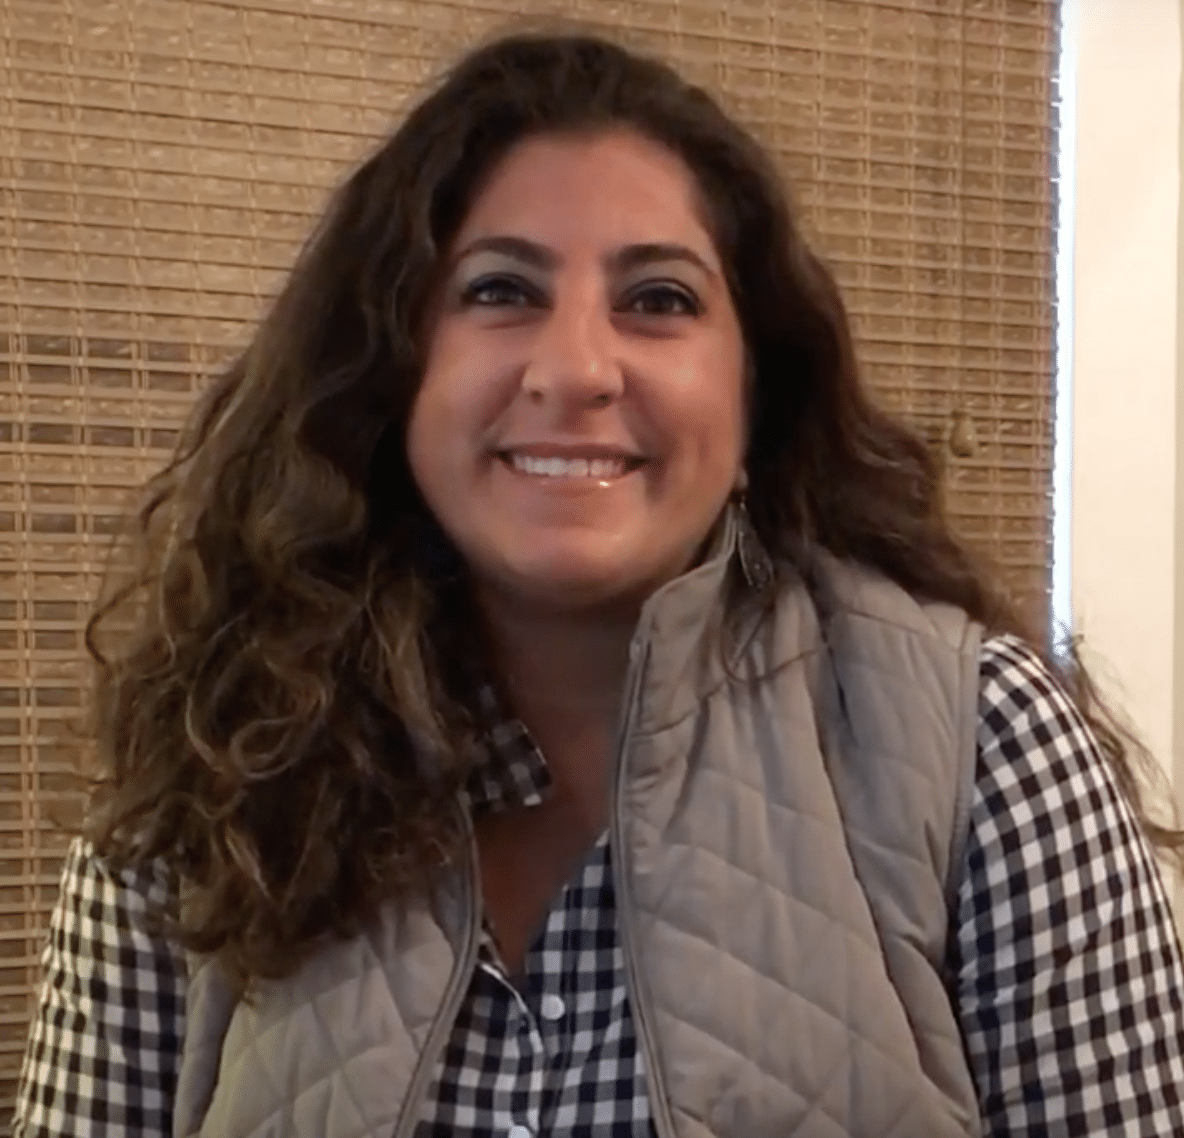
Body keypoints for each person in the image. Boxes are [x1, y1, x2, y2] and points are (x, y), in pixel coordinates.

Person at [12, 28, 1184, 1138]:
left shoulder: (978, 740)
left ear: (753, 390)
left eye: (657, 300)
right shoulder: (213, 755)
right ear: (392, 367)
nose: (574, 368)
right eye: (499, 290)